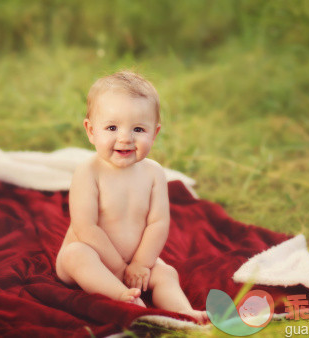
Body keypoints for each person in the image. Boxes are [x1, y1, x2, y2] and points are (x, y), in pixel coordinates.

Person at [55, 71, 207, 323]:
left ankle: (185, 314)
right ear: (91, 131)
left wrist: (141, 264)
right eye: (112, 127)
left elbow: (158, 223)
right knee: (77, 255)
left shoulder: (154, 173)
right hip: (95, 257)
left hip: (134, 259)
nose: (125, 138)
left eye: (138, 129)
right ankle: (126, 298)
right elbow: (85, 226)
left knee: (166, 272)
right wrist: (116, 268)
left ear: (154, 133)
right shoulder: (88, 172)